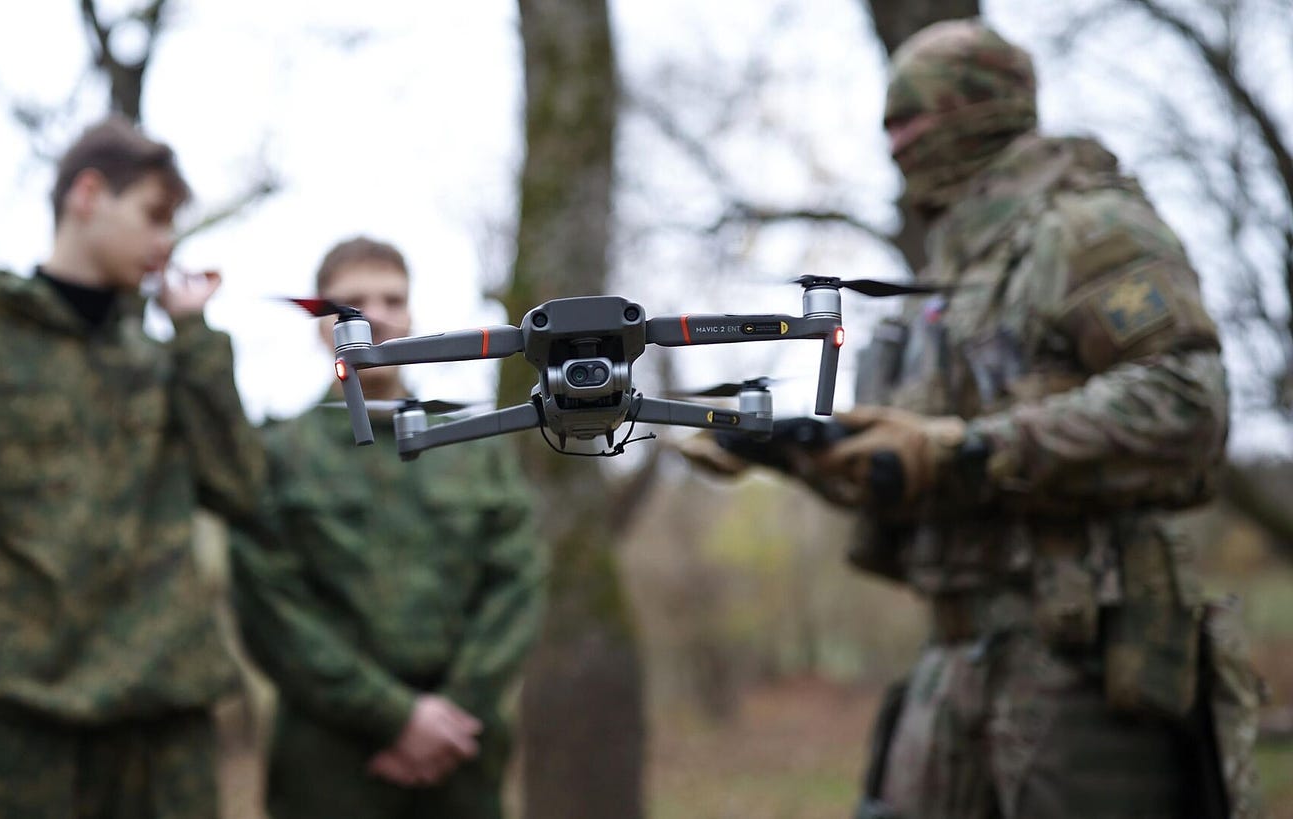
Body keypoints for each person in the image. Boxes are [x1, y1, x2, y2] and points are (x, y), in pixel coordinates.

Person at [683, 19, 1264, 819]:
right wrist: (792, 449)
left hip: (1082, 666)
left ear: (981, 109)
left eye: (914, 118)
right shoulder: (945, 286)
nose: (897, 141)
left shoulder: (1088, 231)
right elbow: (912, 471)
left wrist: (972, 447)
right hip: (954, 664)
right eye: (889, 124)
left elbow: (1188, 404)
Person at [0, 115, 266, 818]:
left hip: (162, 725)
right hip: (12, 725)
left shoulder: (162, 365)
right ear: (88, 194)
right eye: (153, 216)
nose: (166, 242)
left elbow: (243, 488)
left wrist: (194, 336)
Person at [230, 236, 546, 819]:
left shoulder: (474, 442)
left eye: (391, 299)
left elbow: (516, 584)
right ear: (319, 324)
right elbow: (271, 607)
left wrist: (451, 713)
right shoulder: (276, 455)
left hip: (462, 751)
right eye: (349, 302)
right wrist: (394, 718)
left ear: (412, 315)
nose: (373, 315)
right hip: (329, 760)